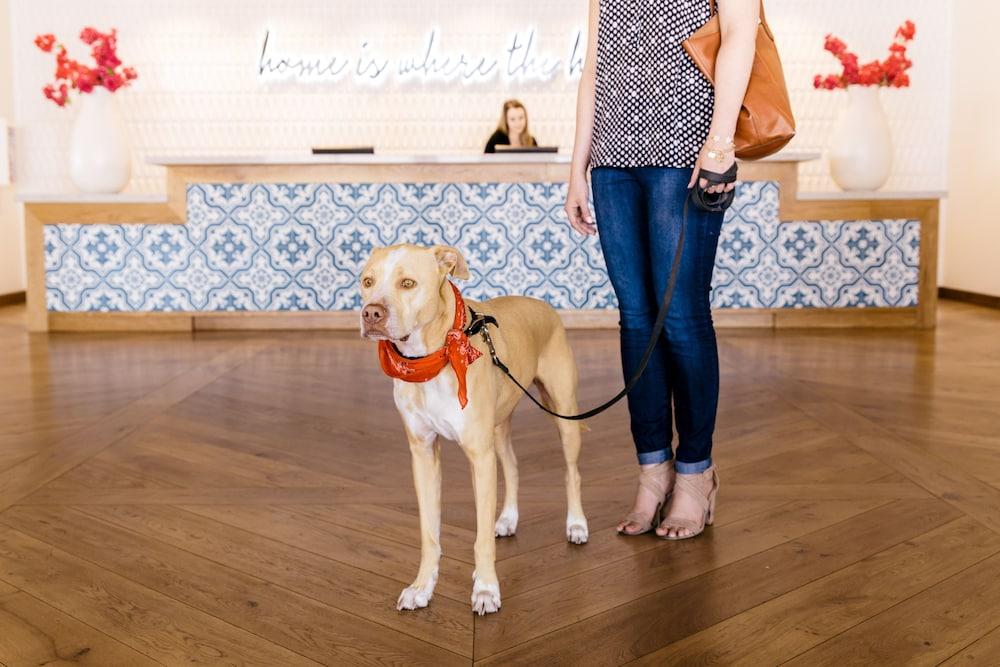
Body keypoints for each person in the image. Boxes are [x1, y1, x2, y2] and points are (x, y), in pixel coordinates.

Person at [564, 0, 757, 539]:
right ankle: (653, 471)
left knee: (682, 319)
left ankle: (696, 473)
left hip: (686, 150)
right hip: (611, 159)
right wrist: (577, 167)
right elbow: (594, 66)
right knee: (636, 319)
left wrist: (720, 143)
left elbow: (742, 32)